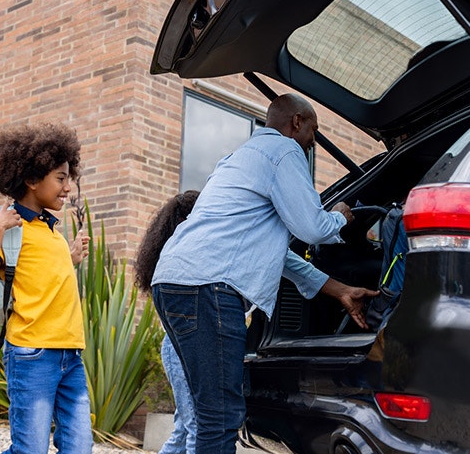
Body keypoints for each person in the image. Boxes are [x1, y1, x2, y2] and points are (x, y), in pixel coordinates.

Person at [150, 94, 378, 454]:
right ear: (297, 122)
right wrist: (341, 217)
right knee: (219, 416)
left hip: (175, 282)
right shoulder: (284, 152)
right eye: (314, 130)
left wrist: (338, 290)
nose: (313, 142)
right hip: (207, 288)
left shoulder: (238, 160)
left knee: (206, 413)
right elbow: (312, 228)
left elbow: (276, 256)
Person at [134, 191, 358, 454]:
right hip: (187, 344)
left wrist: (342, 290)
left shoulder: (224, 242)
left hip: (176, 347)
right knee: (200, 426)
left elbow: (294, 265)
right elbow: (295, 265)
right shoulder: (208, 244)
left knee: (188, 427)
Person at [0, 123, 93, 454]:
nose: (68, 187)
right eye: (60, 177)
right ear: (31, 179)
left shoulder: (51, 230)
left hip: (71, 353)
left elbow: (43, 280)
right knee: (30, 449)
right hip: (32, 354)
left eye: (69, 177)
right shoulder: (7, 227)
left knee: (79, 446)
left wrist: (70, 259)